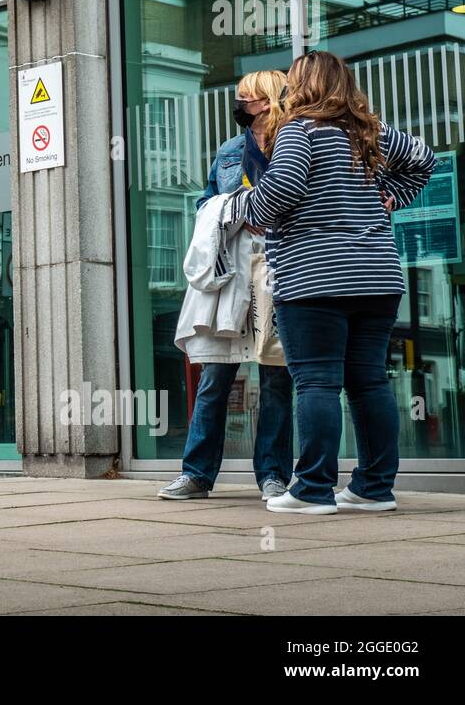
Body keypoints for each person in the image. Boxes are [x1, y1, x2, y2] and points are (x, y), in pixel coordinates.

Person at [238, 51, 434, 514]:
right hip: (377, 278)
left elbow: (283, 188)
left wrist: (249, 212)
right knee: (368, 381)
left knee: (317, 383)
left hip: (314, 278)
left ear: (302, 85)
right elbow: (423, 158)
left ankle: (312, 490)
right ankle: (373, 487)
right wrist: (393, 197)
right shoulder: (370, 131)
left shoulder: (300, 129)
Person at [159, 70, 295, 502]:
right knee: (216, 374)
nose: (239, 105)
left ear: (269, 101)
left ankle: (273, 474)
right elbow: (205, 202)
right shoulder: (230, 150)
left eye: (247, 98)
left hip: (277, 270)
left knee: (275, 376)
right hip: (233, 272)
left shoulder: (295, 144)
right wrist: (231, 208)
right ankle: (196, 473)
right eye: (238, 98)